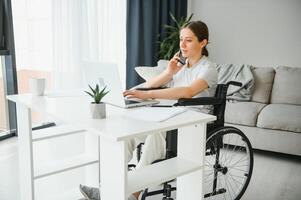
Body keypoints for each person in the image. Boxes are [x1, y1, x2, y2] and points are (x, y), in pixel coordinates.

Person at [79, 20, 218, 200]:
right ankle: (107, 189)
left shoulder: (208, 69)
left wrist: (148, 94)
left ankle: (132, 195)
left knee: (155, 134)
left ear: (203, 42)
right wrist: (169, 73)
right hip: (173, 115)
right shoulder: (180, 67)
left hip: (194, 121)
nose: (182, 45)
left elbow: (188, 92)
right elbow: (148, 86)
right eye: (181, 39)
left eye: (189, 40)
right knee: (128, 136)